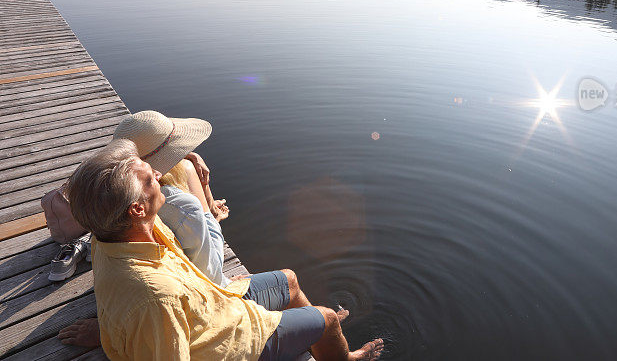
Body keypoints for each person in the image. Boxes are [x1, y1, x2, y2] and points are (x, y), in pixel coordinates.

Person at [64, 139, 383, 360]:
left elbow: (118, 304)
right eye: (150, 179)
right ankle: (343, 354)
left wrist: (108, 335)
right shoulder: (155, 299)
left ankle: (308, 330)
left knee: (289, 280)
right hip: (231, 345)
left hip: (215, 305)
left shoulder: (117, 233)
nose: (159, 175)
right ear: (136, 208)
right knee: (327, 319)